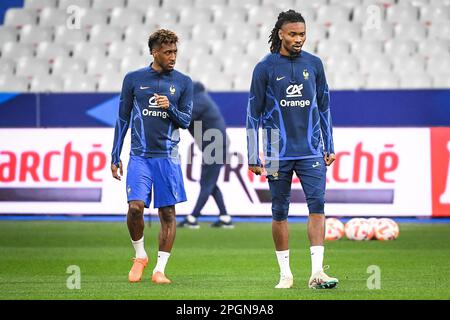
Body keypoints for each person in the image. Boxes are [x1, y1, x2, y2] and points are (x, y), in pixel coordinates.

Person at [246, 10, 338, 289]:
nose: (299, 39)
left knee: (317, 206)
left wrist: (329, 145)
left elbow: (324, 106)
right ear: (280, 34)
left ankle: (317, 273)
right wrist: (253, 154)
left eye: (302, 34)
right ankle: (285, 274)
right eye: (293, 34)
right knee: (279, 211)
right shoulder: (265, 67)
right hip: (275, 152)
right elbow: (253, 113)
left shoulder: (315, 64)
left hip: (311, 149)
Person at [111, 29, 193, 284]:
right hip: (140, 156)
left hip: (167, 158)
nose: (172, 57)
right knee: (135, 208)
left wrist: (170, 108)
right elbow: (123, 118)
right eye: (167, 52)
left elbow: (186, 121)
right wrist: (115, 155)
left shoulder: (183, 82)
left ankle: (160, 269)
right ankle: (140, 256)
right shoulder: (134, 79)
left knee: (167, 213)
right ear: (154, 52)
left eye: (175, 52)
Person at [177, 81, 234, 229]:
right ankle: (225, 217)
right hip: (215, 146)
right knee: (209, 182)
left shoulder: (199, 100)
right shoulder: (202, 98)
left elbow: (184, 120)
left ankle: (193, 217)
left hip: (215, 147)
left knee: (206, 183)